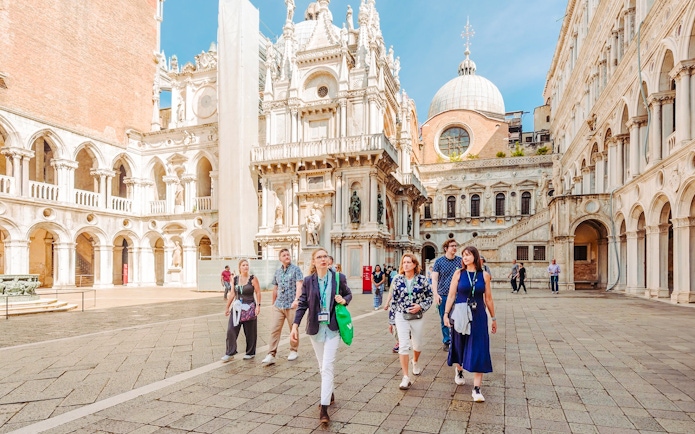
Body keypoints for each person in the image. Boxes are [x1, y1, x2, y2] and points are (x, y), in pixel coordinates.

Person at [291, 248, 352, 424]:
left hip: (333, 328)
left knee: (327, 366)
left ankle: (324, 408)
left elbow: (348, 293)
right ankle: (329, 392)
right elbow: (302, 304)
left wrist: (344, 299)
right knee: (321, 365)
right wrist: (295, 326)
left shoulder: (338, 278)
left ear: (329, 260)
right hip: (315, 329)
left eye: (325, 256)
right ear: (314, 262)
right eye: (319, 257)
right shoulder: (309, 281)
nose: (323, 259)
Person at [443, 246, 497, 402]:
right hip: (460, 313)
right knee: (460, 344)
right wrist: (446, 314)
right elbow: (452, 295)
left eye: (468, 255)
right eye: (463, 256)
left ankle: (477, 388)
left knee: (479, 347)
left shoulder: (484, 275)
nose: (465, 258)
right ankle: (459, 370)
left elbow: (488, 299)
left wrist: (493, 318)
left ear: (475, 256)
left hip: (478, 314)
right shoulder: (458, 273)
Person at [386, 253, 433, 390]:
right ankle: (406, 377)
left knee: (417, 345)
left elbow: (429, 297)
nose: (405, 264)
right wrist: (391, 320)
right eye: (404, 262)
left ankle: (415, 361)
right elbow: (394, 300)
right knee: (403, 345)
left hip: (417, 315)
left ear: (414, 264)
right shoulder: (397, 279)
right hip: (401, 315)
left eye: (408, 262)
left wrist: (421, 306)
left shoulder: (422, 280)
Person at [262, 249, 303, 365]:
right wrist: (273, 303)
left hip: (291, 305)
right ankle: (271, 354)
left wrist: (297, 299)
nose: (287, 256)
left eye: (288, 254)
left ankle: (294, 350)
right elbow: (275, 288)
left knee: (293, 328)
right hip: (279, 305)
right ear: (280, 258)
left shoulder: (296, 269)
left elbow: (299, 285)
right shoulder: (277, 272)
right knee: (275, 329)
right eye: (284, 255)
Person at [222, 259, 261, 362]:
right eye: (243, 265)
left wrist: (258, 306)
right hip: (237, 308)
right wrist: (227, 307)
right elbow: (232, 294)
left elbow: (258, 292)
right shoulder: (235, 279)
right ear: (239, 267)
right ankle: (230, 353)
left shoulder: (253, 278)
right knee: (231, 329)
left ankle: (250, 352)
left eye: (247, 265)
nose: (245, 267)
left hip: (249, 307)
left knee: (250, 331)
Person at [431, 239, 461, 351]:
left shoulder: (460, 261)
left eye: (455, 246)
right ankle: (447, 341)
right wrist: (435, 294)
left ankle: (457, 339)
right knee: (444, 317)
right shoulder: (439, 262)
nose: (454, 248)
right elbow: (434, 278)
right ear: (446, 248)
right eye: (452, 246)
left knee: (458, 318)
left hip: (458, 295)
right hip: (443, 294)